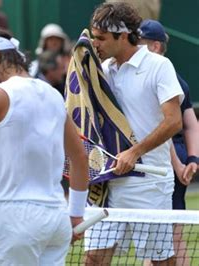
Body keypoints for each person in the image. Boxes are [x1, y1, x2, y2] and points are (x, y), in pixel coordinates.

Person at [0, 25, 89, 265]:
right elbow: (80, 158)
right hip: (55, 220)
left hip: (14, 220)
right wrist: (76, 215)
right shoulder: (54, 96)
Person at [85, 3, 184, 265]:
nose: (96, 43)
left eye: (101, 38)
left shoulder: (159, 66)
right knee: (94, 259)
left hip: (149, 184)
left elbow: (174, 122)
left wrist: (134, 152)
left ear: (123, 36)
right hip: (107, 182)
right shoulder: (103, 69)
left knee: (160, 261)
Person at [139, 19, 199, 266]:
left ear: (155, 46)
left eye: (140, 43)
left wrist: (182, 162)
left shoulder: (164, 78)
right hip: (164, 162)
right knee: (159, 235)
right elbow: (191, 123)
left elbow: (177, 125)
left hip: (165, 163)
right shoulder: (175, 78)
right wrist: (193, 158)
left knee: (169, 234)